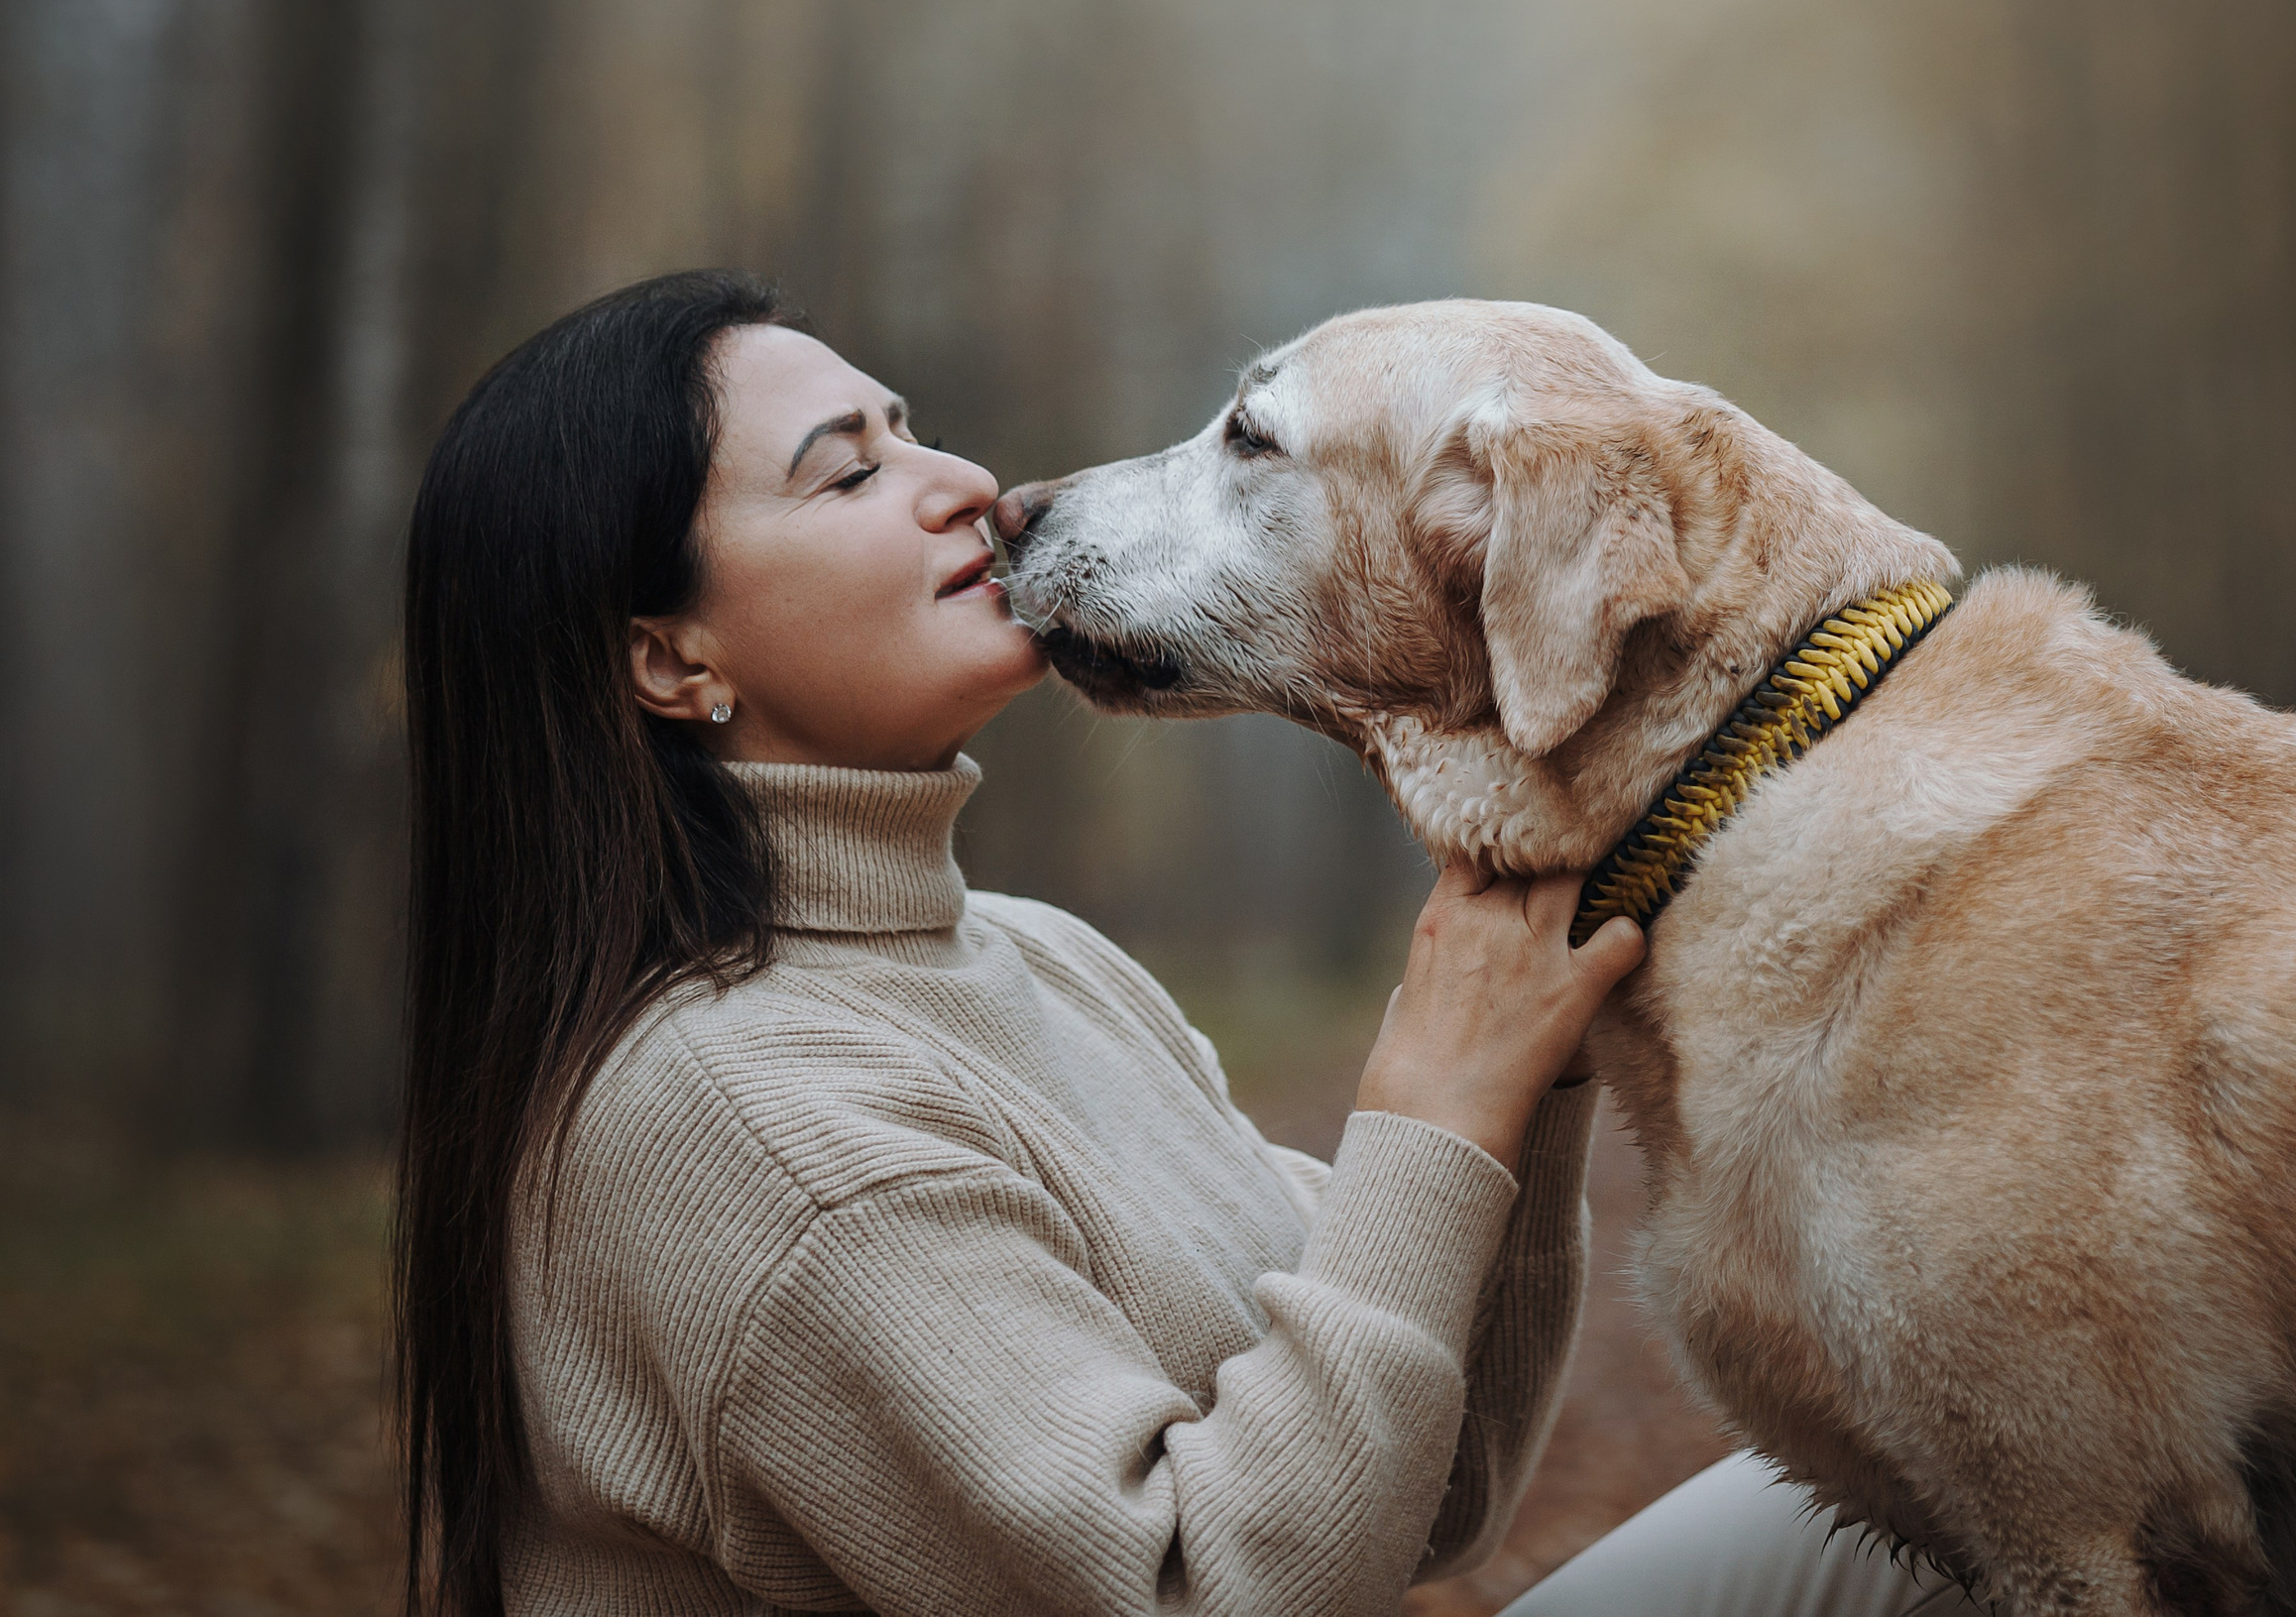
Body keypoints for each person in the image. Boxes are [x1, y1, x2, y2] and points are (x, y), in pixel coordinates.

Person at [393, 268, 1976, 1617]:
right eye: (845, 472)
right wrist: (1434, 1113)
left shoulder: (1036, 961)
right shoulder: (738, 1117)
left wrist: (1520, 1073)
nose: (963, 484)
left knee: (1983, 1501)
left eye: (912, 429)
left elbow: (1427, 1499)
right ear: (670, 659)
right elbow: (1194, 1584)